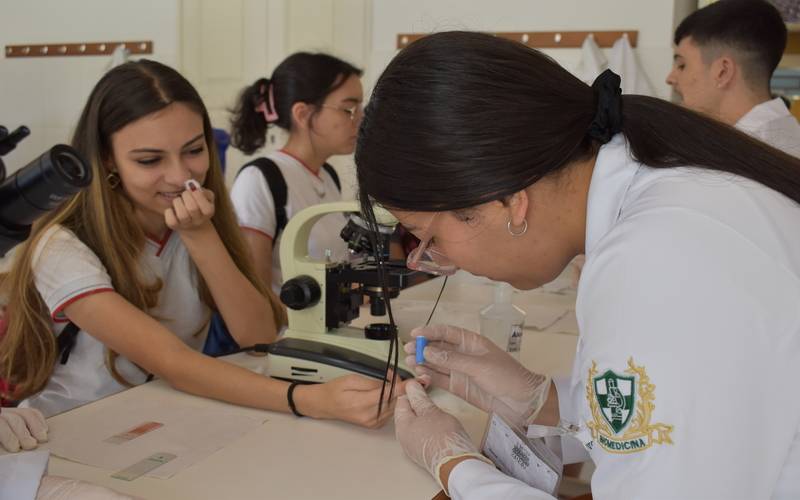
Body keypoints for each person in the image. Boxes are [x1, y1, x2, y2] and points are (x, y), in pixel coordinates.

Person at [355, 31, 800, 499]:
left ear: (507, 201)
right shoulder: (664, 189)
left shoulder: (653, 263)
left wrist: (458, 468)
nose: (442, 260)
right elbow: (692, 420)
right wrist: (544, 400)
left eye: (430, 238)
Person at [0, 60, 398, 454]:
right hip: (68, 433)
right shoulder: (61, 243)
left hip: (160, 419)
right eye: (149, 160)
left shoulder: (196, 219)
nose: (179, 176)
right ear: (107, 158)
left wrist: (200, 235)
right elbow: (173, 362)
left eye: (193, 151)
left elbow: (259, 333)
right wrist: (310, 400)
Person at [229, 53, 363, 294]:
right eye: (349, 109)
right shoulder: (260, 179)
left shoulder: (326, 174)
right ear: (301, 113)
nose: (360, 119)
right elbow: (255, 292)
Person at [666, 0, 800, 155]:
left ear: (723, 72)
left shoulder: (754, 156)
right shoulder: (780, 136)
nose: (670, 78)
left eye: (682, 65)